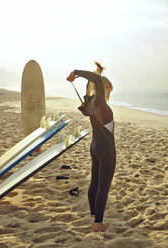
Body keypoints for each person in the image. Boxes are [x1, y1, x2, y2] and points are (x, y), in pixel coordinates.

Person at [66, 63, 115, 232]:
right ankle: (98, 224)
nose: (109, 94)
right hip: (106, 149)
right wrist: (76, 73)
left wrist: (96, 73)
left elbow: (92, 82)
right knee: (103, 186)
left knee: (94, 182)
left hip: (94, 147)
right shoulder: (100, 101)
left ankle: (94, 215)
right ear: (105, 88)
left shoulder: (90, 101)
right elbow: (95, 80)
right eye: (109, 90)